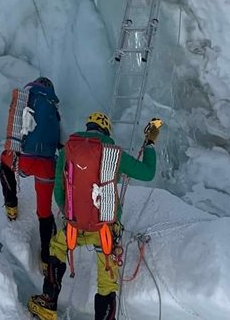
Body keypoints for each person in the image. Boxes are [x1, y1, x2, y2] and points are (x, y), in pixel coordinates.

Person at [28, 112, 161, 320]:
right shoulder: (112, 153)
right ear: (106, 131)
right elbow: (147, 173)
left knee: (58, 250)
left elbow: (58, 188)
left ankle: (48, 302)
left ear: (88, 127)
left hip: (74, 225)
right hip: (104, 229)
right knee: (107, 278)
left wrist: (69, 213)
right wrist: (150, 146)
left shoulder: (70, 148)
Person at [0, 77, 62, 270]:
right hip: (47, 166)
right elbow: (63, 141)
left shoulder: (26, 99)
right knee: (44, 212)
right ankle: (46, 258)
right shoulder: (53, 108)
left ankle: (11, 206)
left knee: (4, 162)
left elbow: (15, 132)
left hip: (24, 159)